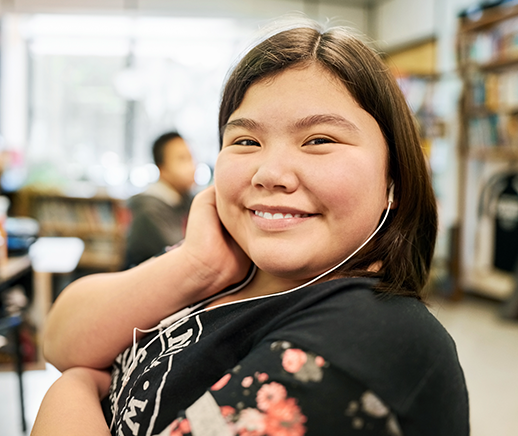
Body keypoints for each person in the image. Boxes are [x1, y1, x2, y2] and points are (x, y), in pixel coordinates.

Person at [32, 19, 469, 436]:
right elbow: (61, 337)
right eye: (246, 141)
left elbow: (70, 365)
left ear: (393, 174)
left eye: (319, 140)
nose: (269, 173)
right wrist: (195, 266)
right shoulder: (224, 267)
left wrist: (71, 389)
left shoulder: (370, 341)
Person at [124, 131, 196, 268]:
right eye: (182, 159)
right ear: (161, 168)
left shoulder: (185, 198)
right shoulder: (149, 209)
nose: (192, 166)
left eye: (191, 158)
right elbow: (184, 254)